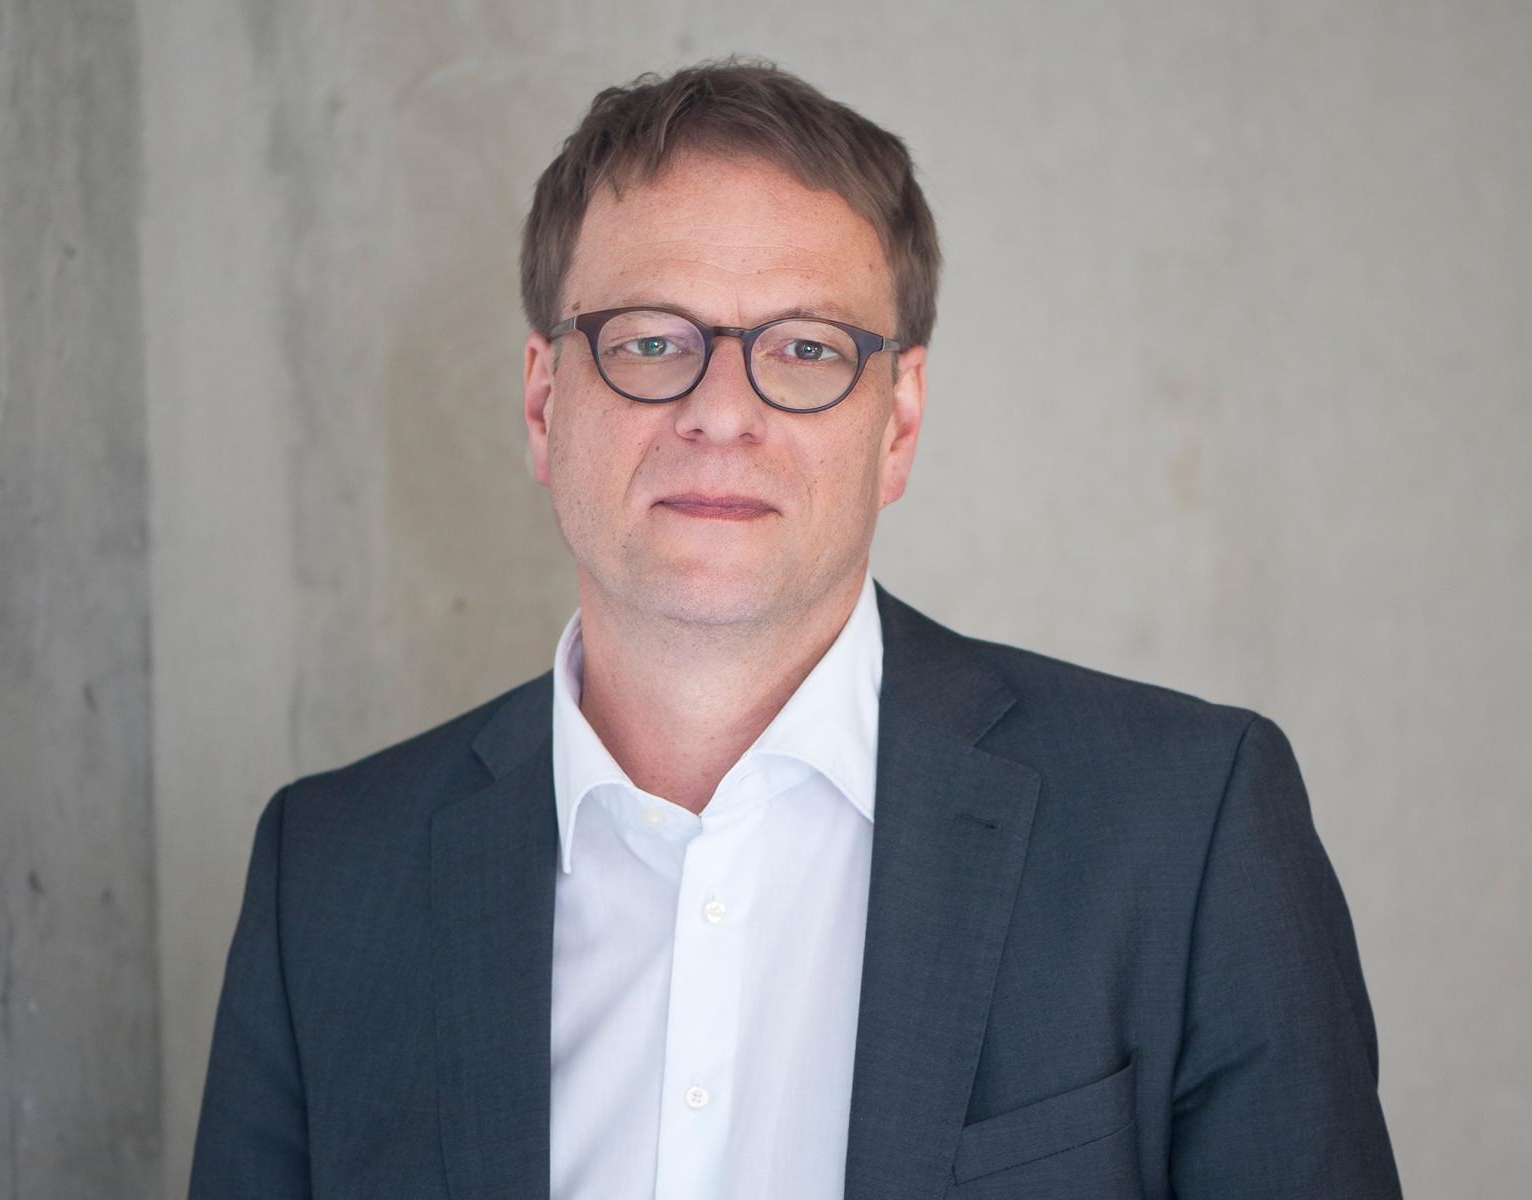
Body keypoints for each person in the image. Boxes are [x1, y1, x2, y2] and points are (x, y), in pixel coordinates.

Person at [189, 59, 1402, 1199]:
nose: (722, 413)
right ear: (544, 403)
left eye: (806, 349)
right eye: (651, 340)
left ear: (898, 424)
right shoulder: (327, 879)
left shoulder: (1182, 830)